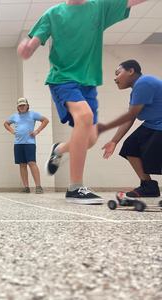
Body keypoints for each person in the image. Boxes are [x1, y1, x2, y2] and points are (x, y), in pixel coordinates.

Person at [17, 0, 147, 204]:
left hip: (88, 83)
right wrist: (28, 47)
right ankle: (75, 188)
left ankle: (59, 149)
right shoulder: (54, 13)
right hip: (62, 79)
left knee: (91, 139)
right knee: (84, 116)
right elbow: (35, 39)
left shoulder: (100, 7)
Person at [98, 60, 162, 197]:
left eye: (118, 73)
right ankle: (148, 187)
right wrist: (114, 141)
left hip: (159, 125)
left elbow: (131, 115)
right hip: (153, 124)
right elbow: (130, 117)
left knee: (155, 155)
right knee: (130, 147)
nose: (115, 78)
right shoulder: (137, 89)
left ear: (131, 71)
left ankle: (149, 187)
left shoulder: (144, 82)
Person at [4, 97, 49, 194]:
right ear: (18, 107)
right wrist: (12, 131)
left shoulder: (33, 114)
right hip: (18, 143)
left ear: (27, 105)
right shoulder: (14, 116)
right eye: (20, 105)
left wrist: (37, 131)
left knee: (32, 163)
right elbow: (6, 123)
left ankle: (38, 186)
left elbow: (45, 120)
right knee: (22, 165)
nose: (22, 107)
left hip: (30, 143)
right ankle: (26, 187)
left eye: (23, 105)